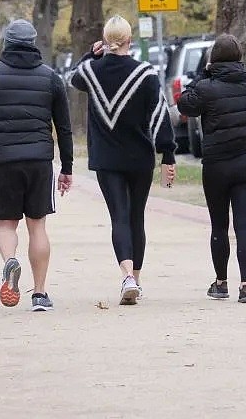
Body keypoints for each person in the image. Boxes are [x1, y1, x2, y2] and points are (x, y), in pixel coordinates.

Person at [70, 15, 176, 305]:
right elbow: (159, 115)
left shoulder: (91, 71)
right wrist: (167, 153)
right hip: (139, 158)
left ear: (105, 40)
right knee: (136, 217)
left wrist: (89, 54)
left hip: (107, 158)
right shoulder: (146, 73)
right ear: (130, 40)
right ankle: (137, 280)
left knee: (118, 216)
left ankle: (127, 276)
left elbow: (72, 76)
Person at [0, 19, 73, 312]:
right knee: (37, 226)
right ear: (33, 42)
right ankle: (39, 294)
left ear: (6, 43)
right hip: (40, 161)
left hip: (4, 161)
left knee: (6, 224)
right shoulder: (51, 78)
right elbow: (63, 128)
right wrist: (66, 167)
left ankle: (9, 262)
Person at [177, 34, 246, 303]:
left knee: (219, 226)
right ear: (239, 57)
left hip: (217, 165)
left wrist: (204, 72)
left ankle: (221, 282)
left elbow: (185, 103)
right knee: (244, 226)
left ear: (213, 58)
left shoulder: (206, 87)